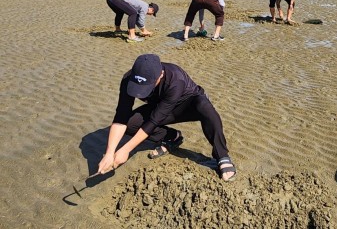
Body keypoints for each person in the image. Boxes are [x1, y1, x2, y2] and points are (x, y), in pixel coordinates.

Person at [97, 54, 237, 182]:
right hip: (159, 106)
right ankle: (172, 137)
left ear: (161, 74)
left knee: (205, 107)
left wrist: (125, 149)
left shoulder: (176, 79)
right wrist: (110, 153)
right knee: (131, 123)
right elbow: (121, 115)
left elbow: (154, 120)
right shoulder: (128, 79)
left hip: (187, 105)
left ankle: (222, 155)